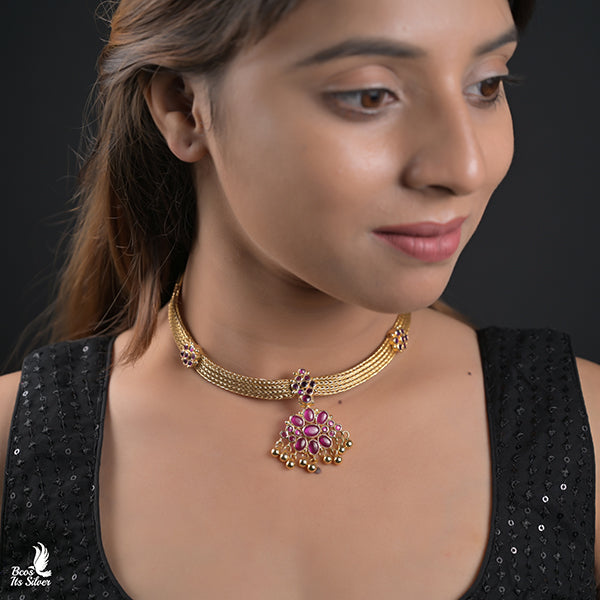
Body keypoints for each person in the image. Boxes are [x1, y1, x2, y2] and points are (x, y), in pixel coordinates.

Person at [0, 0, 598, 598]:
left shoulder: (586, 429)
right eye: (371, 95)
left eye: (486, 85)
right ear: (185, 108)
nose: (465, 166)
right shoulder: (12, 446)